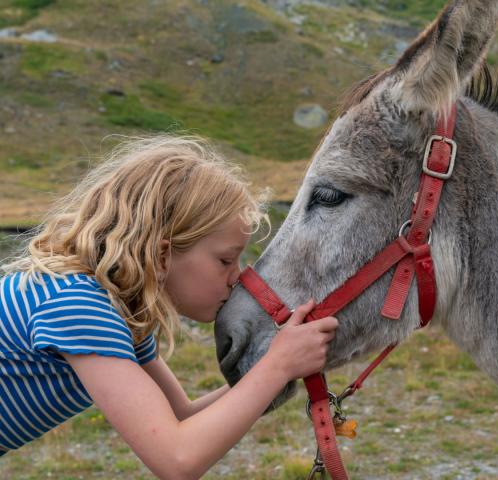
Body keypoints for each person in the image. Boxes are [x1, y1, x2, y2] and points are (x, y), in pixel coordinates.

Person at [0, 136, 338, 479]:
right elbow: (176, 458)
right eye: (225, 260)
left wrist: (273, 367)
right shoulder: (78, 305)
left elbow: (181, 418)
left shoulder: (122, 308)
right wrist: (276, 367)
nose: (236, 278)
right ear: (163, 255)